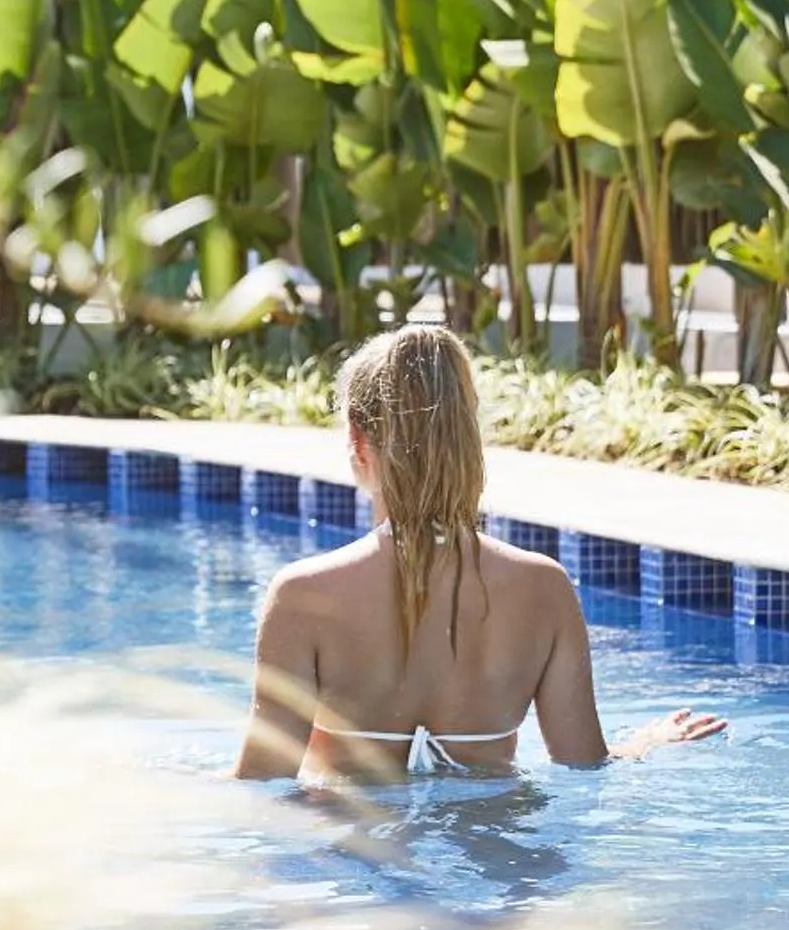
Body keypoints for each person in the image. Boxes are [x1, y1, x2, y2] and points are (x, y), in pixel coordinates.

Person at [233, 327, 726, 783]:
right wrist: (646, 744)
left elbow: (261, 785)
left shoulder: (303, 596)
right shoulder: (543, 589)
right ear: (469, 439)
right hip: (503, 853)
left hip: (353, 859)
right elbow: (584, 764)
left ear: (359, 443)